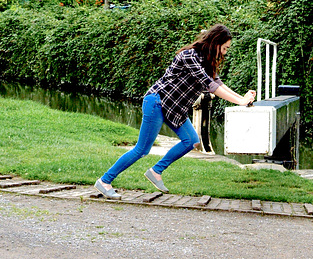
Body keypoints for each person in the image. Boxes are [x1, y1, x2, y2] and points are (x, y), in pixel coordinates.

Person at [94, 24, 256, 199]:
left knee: (191, 141)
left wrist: (242, 98)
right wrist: (240, 101)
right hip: (157, 101)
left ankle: (156, 171)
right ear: (215, 43)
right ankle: (104, 181)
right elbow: (209, 86)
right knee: (142, 149)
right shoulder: (189, 56)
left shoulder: (207, 61)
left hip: (174, 108)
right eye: (224, 48)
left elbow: (218, 83)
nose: (224, 53)